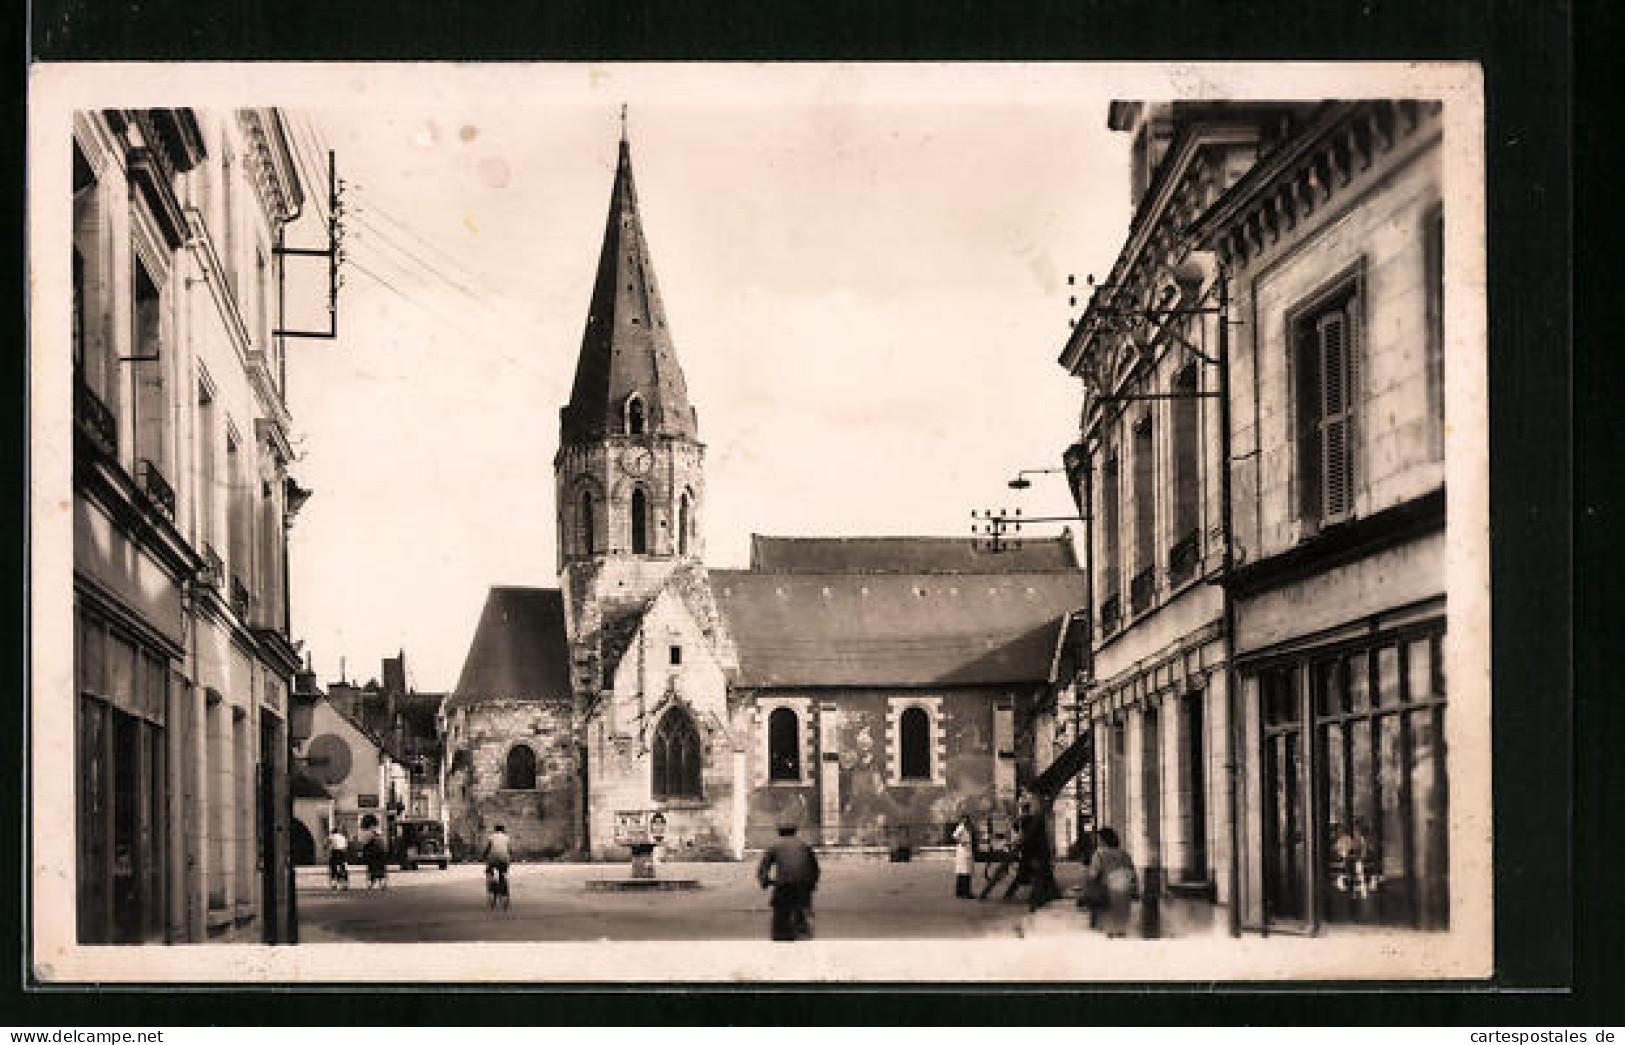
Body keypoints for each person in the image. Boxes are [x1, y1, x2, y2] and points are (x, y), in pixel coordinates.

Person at [756, 815, 820, 941]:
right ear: (795, 832)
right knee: (804, 904)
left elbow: (764, 867)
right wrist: (812, 883)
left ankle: (781, 933)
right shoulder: (804, 846)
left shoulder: (774, 847)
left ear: (779, 832)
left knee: (780, 910)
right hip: (803, 885)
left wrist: (764, 881)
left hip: (783, 884)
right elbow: (815, 868)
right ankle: (803, 926)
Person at [1085, 827, 1138, 938]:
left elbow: (1093, 874)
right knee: (1121, 926)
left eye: (1099, 839)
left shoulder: (1099, 854)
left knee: (1107, 927)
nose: (1097, 841)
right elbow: (1132, 874)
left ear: (1103, 840)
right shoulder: (1125, 854)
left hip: (1106, 892)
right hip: (1124, 893)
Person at [952, 815, 976, 899]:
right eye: (964, 819)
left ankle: (962, 892)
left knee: (964, 872)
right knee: (964, 872)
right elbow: (954, 835)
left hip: (967, 850)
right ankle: (965, 892)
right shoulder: (961, 827)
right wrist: (961, 841)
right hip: (963, 851)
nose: (966, 820)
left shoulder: (968, 828)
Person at [326, 824, 350, 889]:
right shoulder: (343, 837)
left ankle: (334, 883)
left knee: (333, 867)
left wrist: (327, 850)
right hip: (343, 853)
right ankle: (345, 883)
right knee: (343, 867)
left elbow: (326, 845)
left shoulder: (331, 837)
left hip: (335, 852)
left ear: (333, 832)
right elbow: (346, 846)